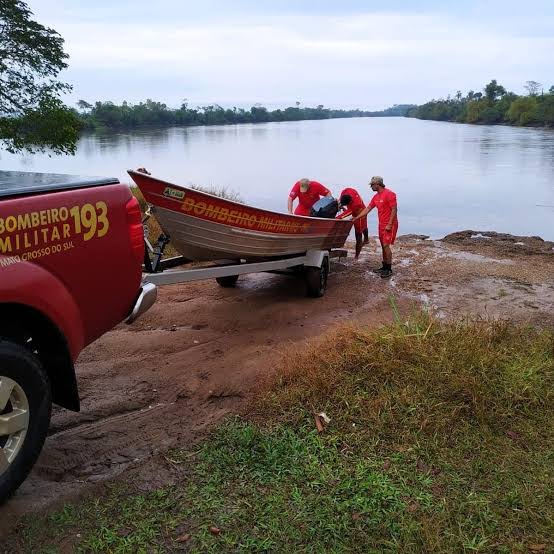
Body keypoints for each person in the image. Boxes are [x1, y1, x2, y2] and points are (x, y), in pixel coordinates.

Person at [353, 176, 398, 278]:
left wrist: (390, 224)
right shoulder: (376, 197)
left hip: (390, 224)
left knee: (386, 245)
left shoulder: (389, 194)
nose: (371, 187)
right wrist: (356, 218)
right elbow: (368, 209)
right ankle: (384, 266)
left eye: (372, 185)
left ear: (377, 184)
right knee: (382, 245)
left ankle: (389, 269)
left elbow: (394, 209)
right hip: (381, 224)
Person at [336, 187, 369, 260]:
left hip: (360, 213)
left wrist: (334, 219)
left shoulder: (355, 204)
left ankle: (356, 256)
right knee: (364, 226)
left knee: (358, 234)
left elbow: (344, 215)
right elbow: (343, 205)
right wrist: (339, 205)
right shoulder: (345, 191)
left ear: (350, 202)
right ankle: (366, 240)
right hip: (353, 208)